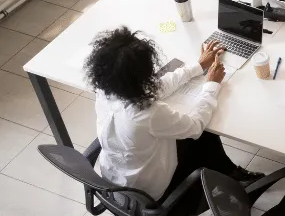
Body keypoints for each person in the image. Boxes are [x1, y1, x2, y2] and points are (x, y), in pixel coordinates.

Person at [85, 27, 263, 212]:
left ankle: (230, 172)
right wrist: (211, 85)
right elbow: (195, 126)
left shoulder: (105, 90)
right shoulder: (148, 114)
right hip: (150, 194)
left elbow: (152, 90)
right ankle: (235, 185)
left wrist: (197, 66)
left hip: (116, 180)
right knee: (203, 133)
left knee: (196, 134)